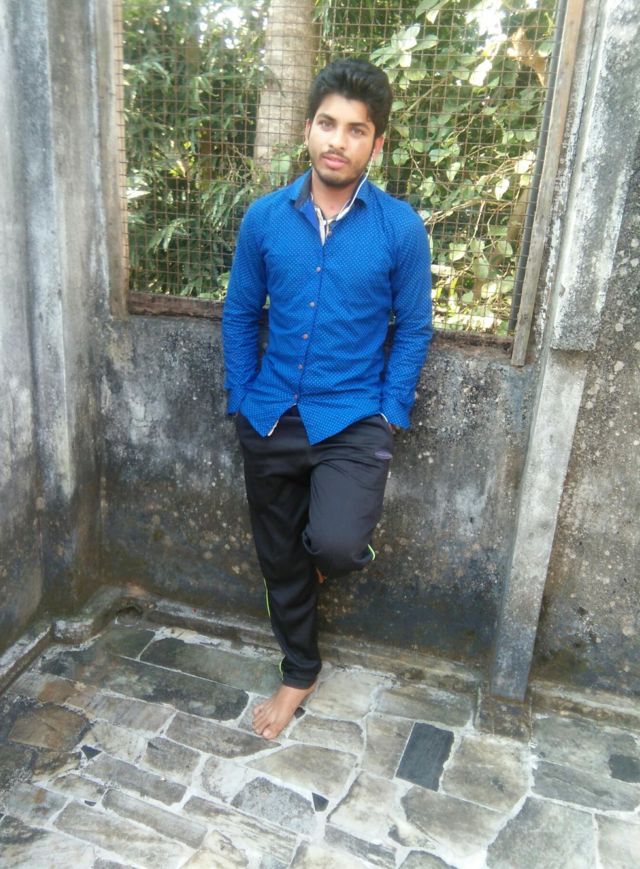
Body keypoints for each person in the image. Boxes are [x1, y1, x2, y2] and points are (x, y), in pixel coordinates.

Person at [222, 58, 432, 739]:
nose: (338, 141)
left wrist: (391, 411)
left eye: (356, 129)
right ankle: (299, 670)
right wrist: (241, 396)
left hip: (353, 417)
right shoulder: (264, 219)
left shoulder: (399, 229)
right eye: (327, 124)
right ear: (308, 129)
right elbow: (239, 313)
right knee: (277, 557)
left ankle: (312, 565)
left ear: (377, 143)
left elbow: (414, 327)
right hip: (270, 414)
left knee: (336, 546)